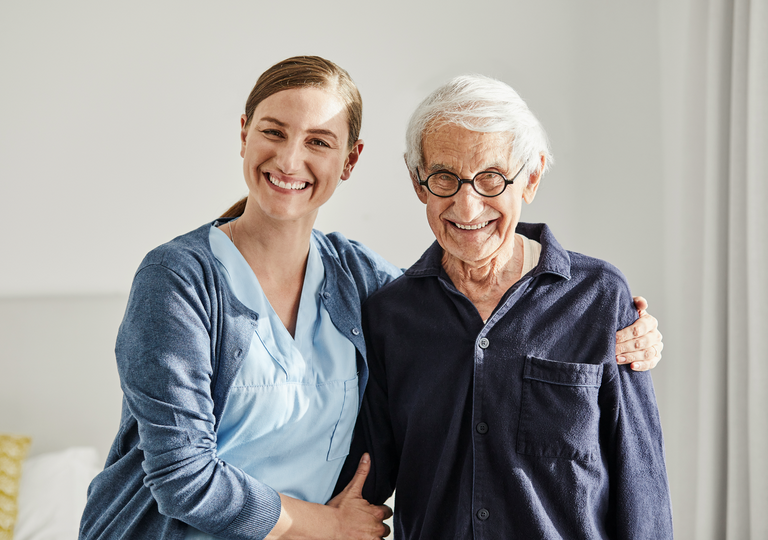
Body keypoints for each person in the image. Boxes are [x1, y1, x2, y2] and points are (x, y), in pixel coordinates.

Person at [80, 57, 663, 539]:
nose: (289, 160)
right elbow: (182, 475)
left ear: (350, 160)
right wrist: (329, 526)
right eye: (274, 132)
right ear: (244, 134)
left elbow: (457, 305)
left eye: (318, 141)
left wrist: (633, 333)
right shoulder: (180, 277)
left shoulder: (363, 281)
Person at [339, 75, 674, 538]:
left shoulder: (599, 297)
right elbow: (363, 477)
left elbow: (641, 483)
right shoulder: (390, 316)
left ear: (530, 177)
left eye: (491, 178)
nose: (467, 206)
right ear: (418, 182)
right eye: (444, 178)